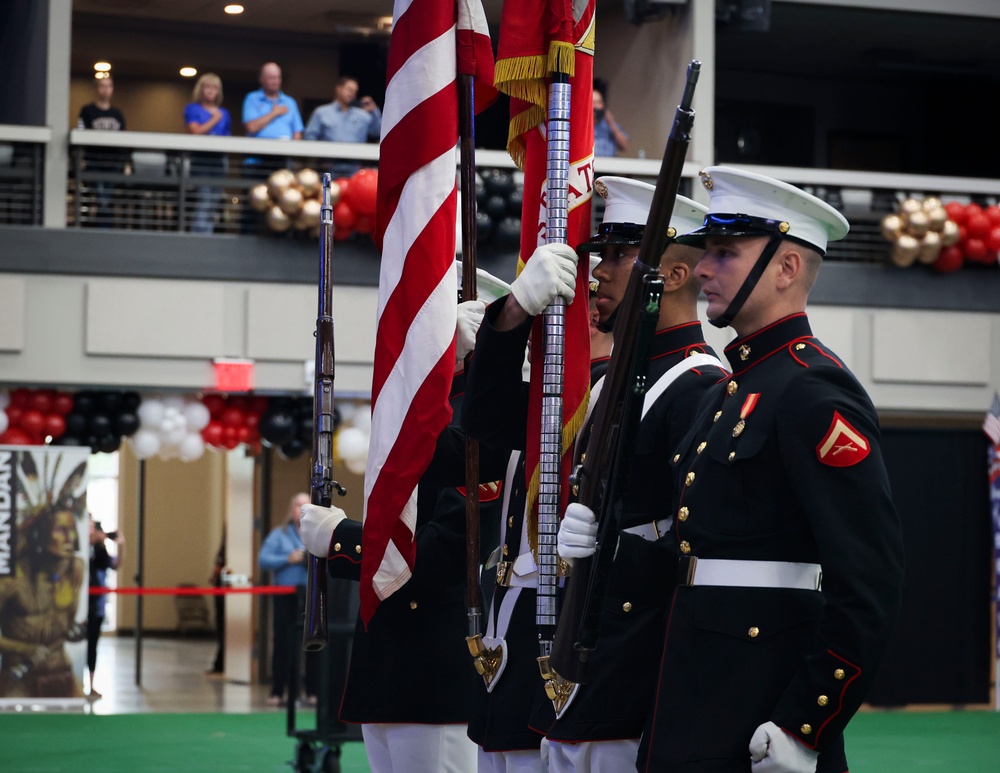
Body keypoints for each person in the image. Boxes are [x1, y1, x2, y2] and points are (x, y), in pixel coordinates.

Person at [560, 166, 905, 773]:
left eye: (725, 253)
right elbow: (695, 553)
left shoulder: (814, 390)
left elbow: (868, 584)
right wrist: (608, 550)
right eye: (706, 252)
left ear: (786, 268)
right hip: (690, 690)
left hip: (760, 702)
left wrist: (807, 724)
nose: (703, 269)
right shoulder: (731, 389)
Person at [545, 177, 728, 773]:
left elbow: (699, 542)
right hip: (584, 656)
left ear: (672, 276)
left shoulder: (699, 385)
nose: (596, 272)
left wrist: (617, 551)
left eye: (620, 255)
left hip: (636, 666)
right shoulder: (607, 387)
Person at [297, 284, 513, 773]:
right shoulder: (413, 411)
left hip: (435, 670)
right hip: (390, 663)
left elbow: (444, 552)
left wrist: (341, 539)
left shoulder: (477, 421)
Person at [460, 240, 601, 773]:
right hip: (509, 632)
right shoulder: (550, 397)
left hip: (568, 629)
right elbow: (480, 420)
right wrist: (510, 316)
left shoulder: (618, 391)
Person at [0, 502, 87, 699]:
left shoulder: (75, 570)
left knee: (77, 728)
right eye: (60, 530)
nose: (70, 538)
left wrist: (73, 631)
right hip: (20, 677)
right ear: (39, 535)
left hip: (62, 671)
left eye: (72, 530)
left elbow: (67, 622)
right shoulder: (13, 578)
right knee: (14, 728)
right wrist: (25, 649)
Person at [258, 492, 319, 707]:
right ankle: (278, 691)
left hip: (311, 597)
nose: (302, 510)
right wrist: (288, 558)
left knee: (314, 644)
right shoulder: (280, 534)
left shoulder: (318, 533)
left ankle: (312, 691)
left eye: (306, 506)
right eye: (298, 506)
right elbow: (263, 560)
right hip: (285, 596)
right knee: (284, 643)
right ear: (291, 509)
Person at [303, 75, 382, 178]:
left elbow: (378, 132)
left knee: (354, 194)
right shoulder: (322, 113)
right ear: (338, 89)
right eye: (349, 89)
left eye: (354, 91)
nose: (351, 94)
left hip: (354, 171)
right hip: (328, 169)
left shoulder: (363, 116)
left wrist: (374, 111)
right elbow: (309, 138)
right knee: (328, 194)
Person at [77, 75, 128, 227]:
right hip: (94, 161)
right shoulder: (87, 111)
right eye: (103, 86)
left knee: (108, 196)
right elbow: (80, 134)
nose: (106, 90)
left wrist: (126, 163)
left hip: (114, 163)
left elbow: (125, 139)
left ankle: (102, 226)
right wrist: (81, 159)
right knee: (100, 196)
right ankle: (104, 226)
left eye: (109, 86)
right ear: (97, 89)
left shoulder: (117, 114)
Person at [184, 72, 231, 234]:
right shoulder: (192, 108)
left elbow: (227, 138)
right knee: (203, 200)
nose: (211, 91)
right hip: (201, 160)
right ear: (201, 89)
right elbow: (195, 131)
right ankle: (198, 238)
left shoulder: (225, 113)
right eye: (208, 87)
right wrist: (214, 120)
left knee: (214, 202)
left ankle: (208, 235)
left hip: (219, 160)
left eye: (215, 88)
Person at [85, 518, 124, 699]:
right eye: (90, 528)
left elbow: (114, 565)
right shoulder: (78, 546)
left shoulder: (100, 550)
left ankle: (91, 686)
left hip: (96, 605)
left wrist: (121, 545)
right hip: (79, 606)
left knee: (93, 646)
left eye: (94, 528)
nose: (93, 532)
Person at [592, 81, 629, 158]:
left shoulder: (609, 124)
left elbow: (625, 146)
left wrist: (611, 123)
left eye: (598, 102)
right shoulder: (581, 126)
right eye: (593, 102)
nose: (595, 107)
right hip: (589, 166)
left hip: (608, 166)